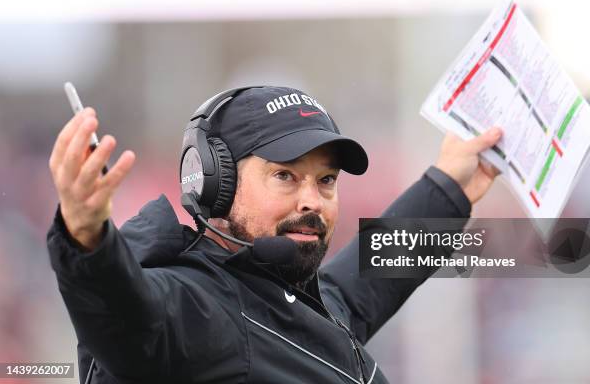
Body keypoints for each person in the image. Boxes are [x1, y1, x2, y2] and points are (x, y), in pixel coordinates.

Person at [47, 86, 502, 383]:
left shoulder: (290, 301)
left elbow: (371, 273)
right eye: (285, 176)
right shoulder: (194, 309)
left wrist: (452, 185)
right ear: (214, 183)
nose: (312, 201)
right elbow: (126, 316)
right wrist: (87, 237)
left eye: (326, 181)